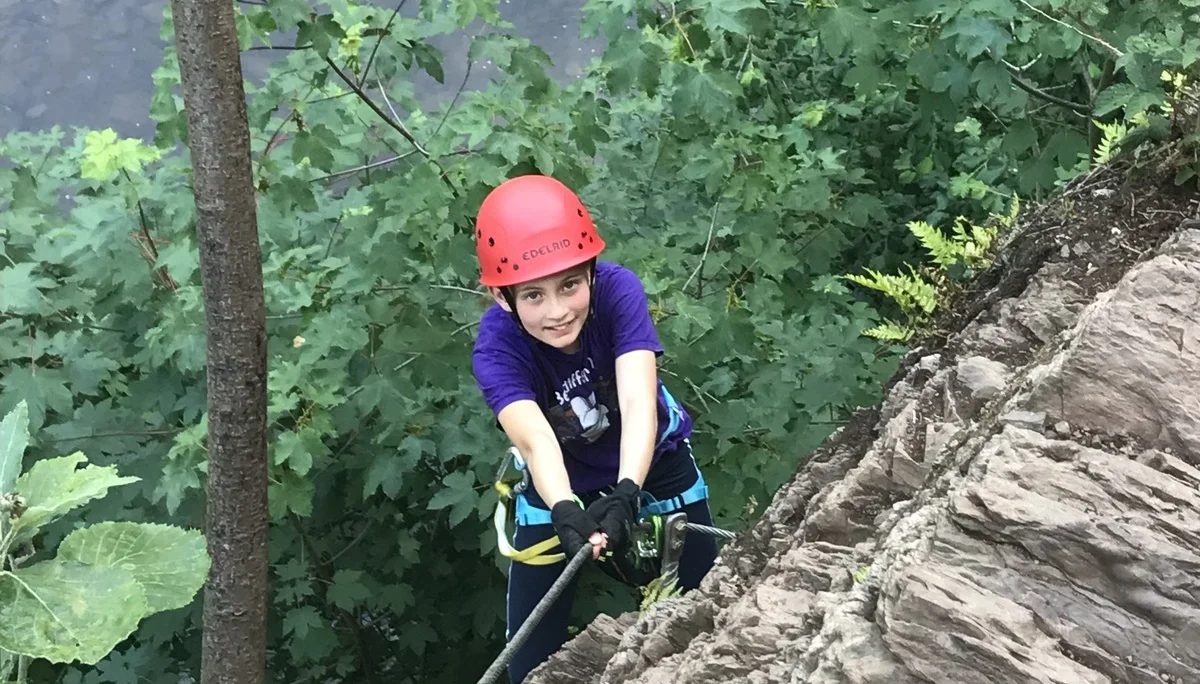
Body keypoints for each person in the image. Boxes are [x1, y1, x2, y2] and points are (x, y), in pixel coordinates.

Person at [470, 174, 719, 683]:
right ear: (501, 297)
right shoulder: (497, 348)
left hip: (656, 462)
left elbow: (637, 400)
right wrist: (564, 507)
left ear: (590, 271)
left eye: (569, 285)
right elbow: (536, 440)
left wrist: (628, 490)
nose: (558, 312)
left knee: (710, 608)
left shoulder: (616, 291)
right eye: (533, 296)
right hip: (556, 480)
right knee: (527, 658)